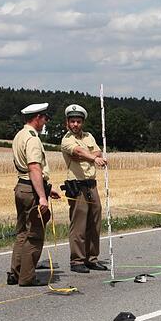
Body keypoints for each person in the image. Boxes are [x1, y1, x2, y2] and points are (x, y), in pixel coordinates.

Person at [8, 103, 61, 286]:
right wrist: (42, 196)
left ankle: (15, 272)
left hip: (22, 187)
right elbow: (34, 167)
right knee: (35, 235)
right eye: (45, 118)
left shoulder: (19, 135)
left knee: (22, 232)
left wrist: (47, 188)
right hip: (31, 189)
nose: (45, 122)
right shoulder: (32, 139)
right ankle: (27, 277)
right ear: (37, 117)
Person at [60, 104, 109, 273]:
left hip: (91, 184)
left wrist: (92, 156)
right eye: (72, 121)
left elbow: (98, 152)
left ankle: (92, 258)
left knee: (94, 222)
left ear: (82, 123)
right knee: (79, 224)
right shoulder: (67, 140)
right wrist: (92, 158)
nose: (75, 124)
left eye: (78, 121)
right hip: (77, 185)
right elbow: (78, 152)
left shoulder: (89, 136)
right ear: (67, 122)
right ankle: (77, 260)